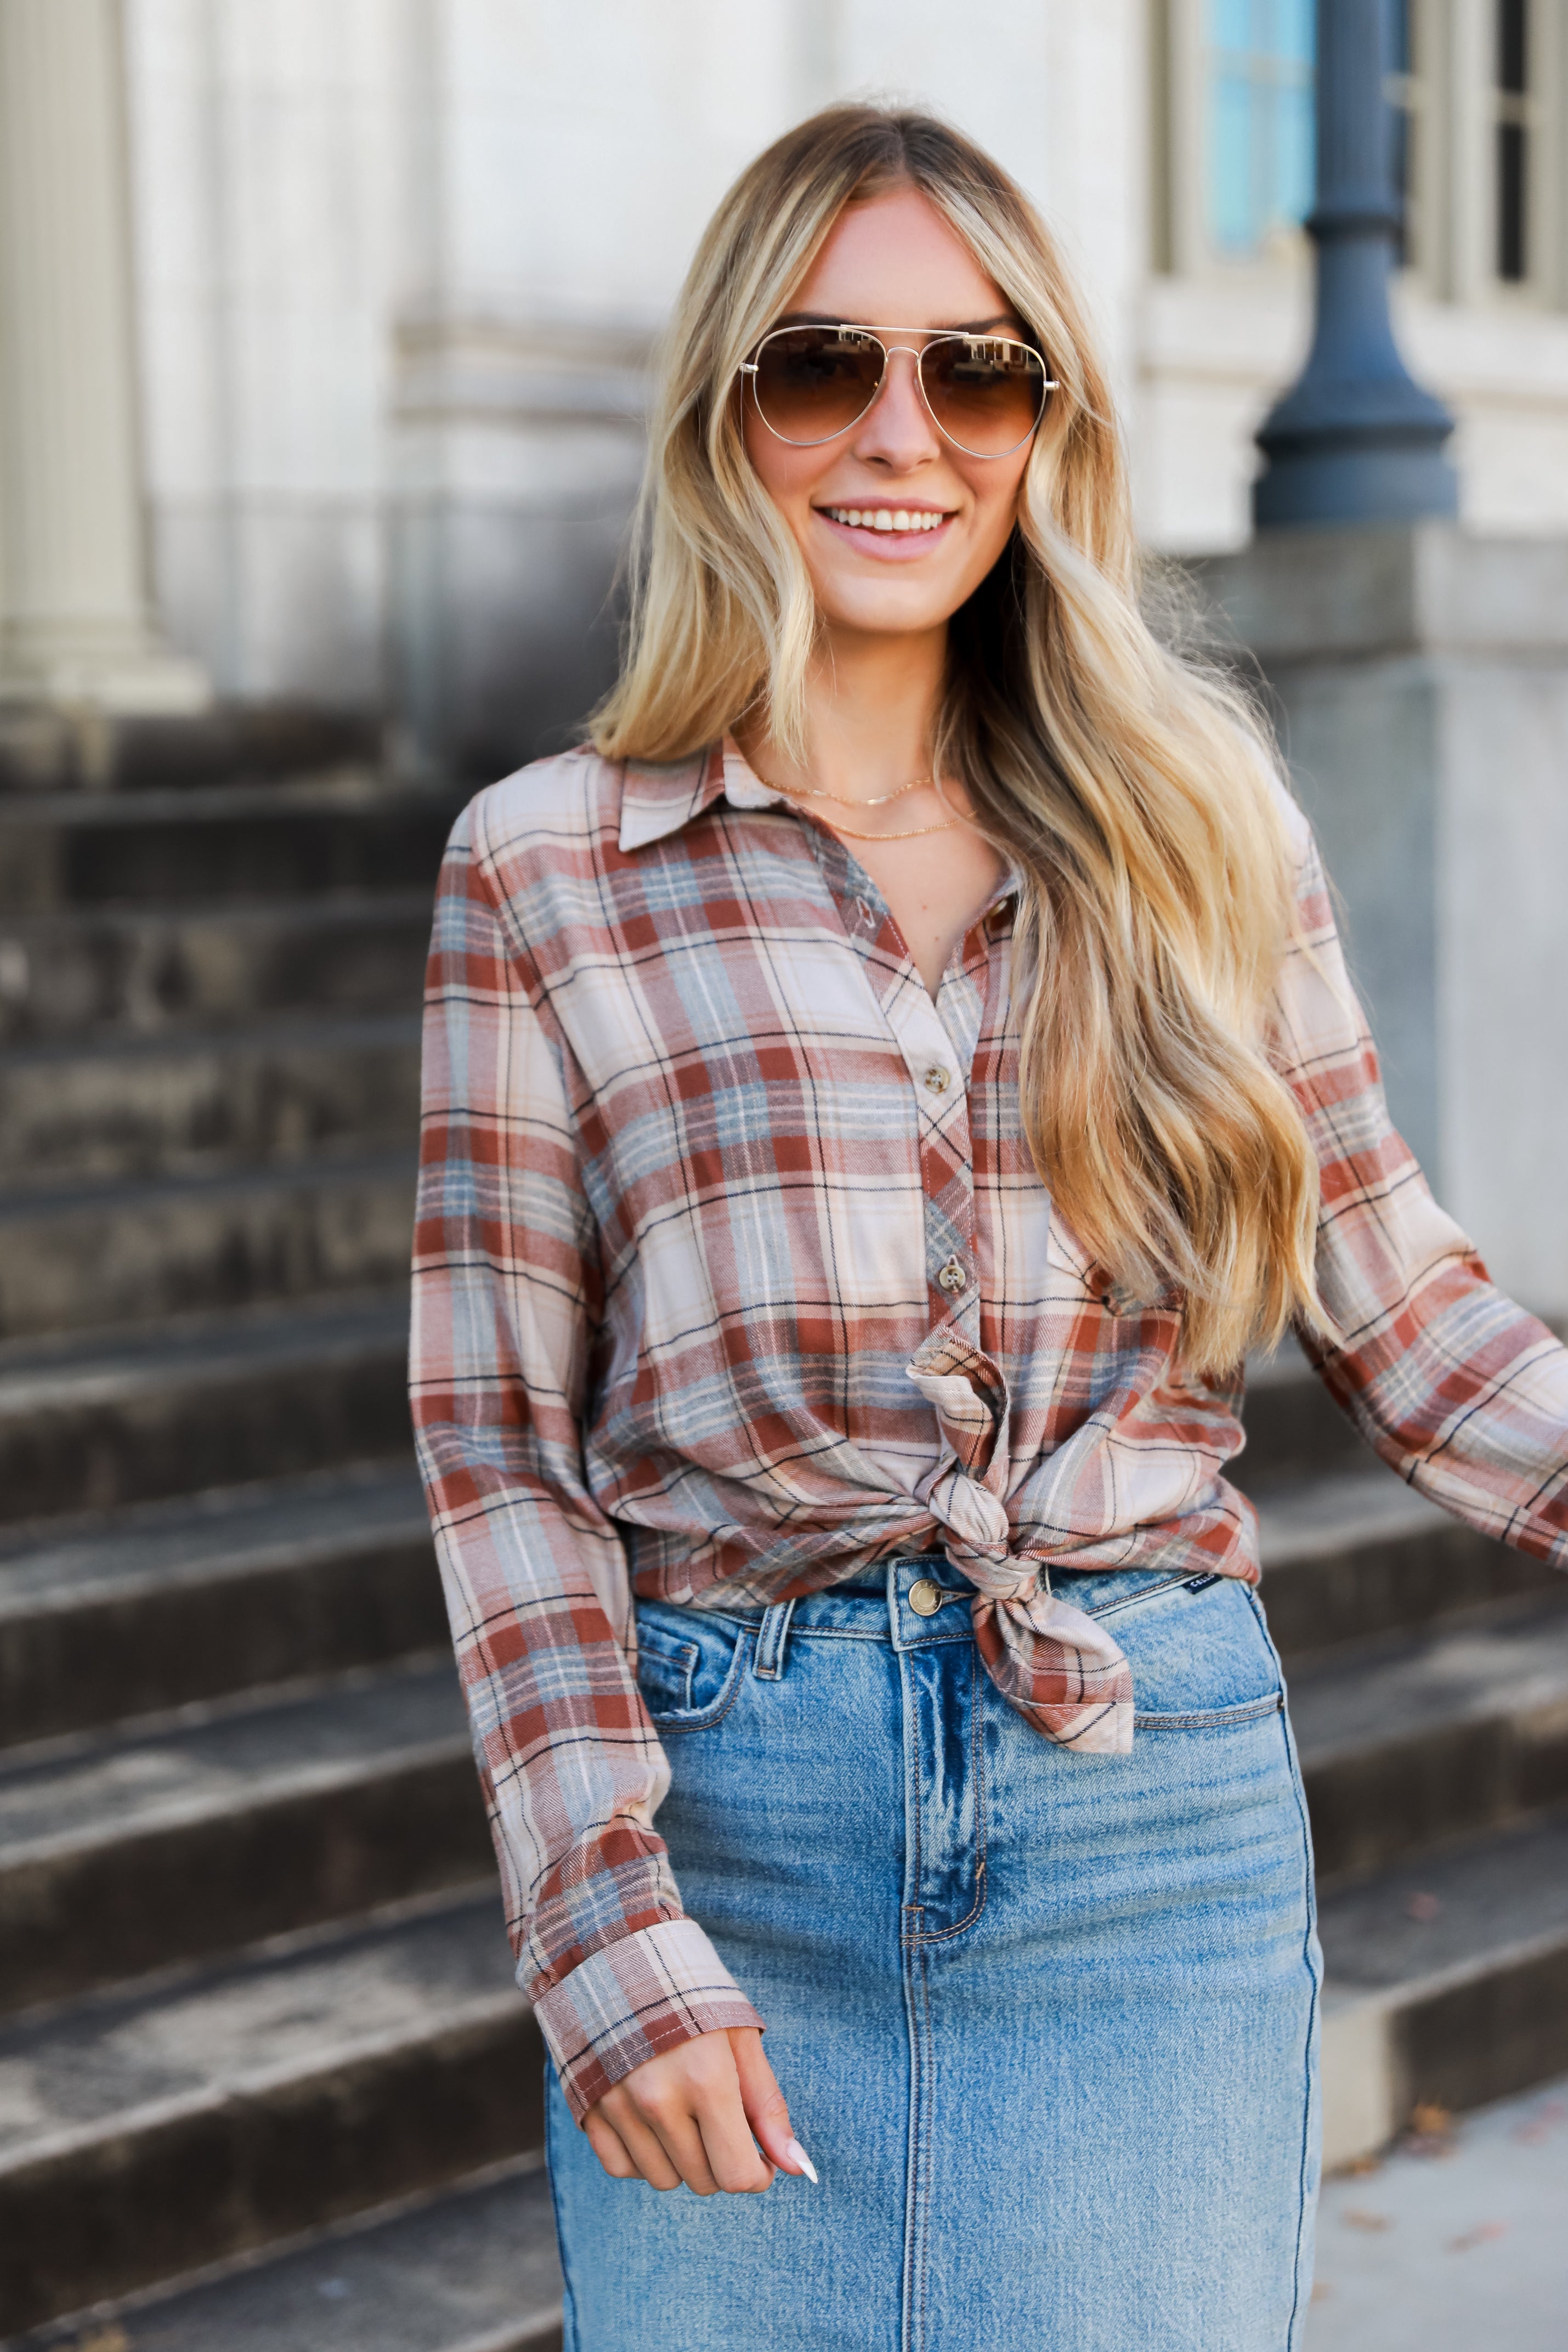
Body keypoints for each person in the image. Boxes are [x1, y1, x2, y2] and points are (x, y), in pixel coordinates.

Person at [410, 103, 1568, 2351]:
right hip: (728, 1829)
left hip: (1146, 1829)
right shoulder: (540, 869)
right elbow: (498, 1461)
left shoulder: (1197, 826)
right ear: (727, 411)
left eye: (980, 370)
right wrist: (598, 1927)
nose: (902, 434)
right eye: (824, 363)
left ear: (1051, 422)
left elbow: (1408, 1316)